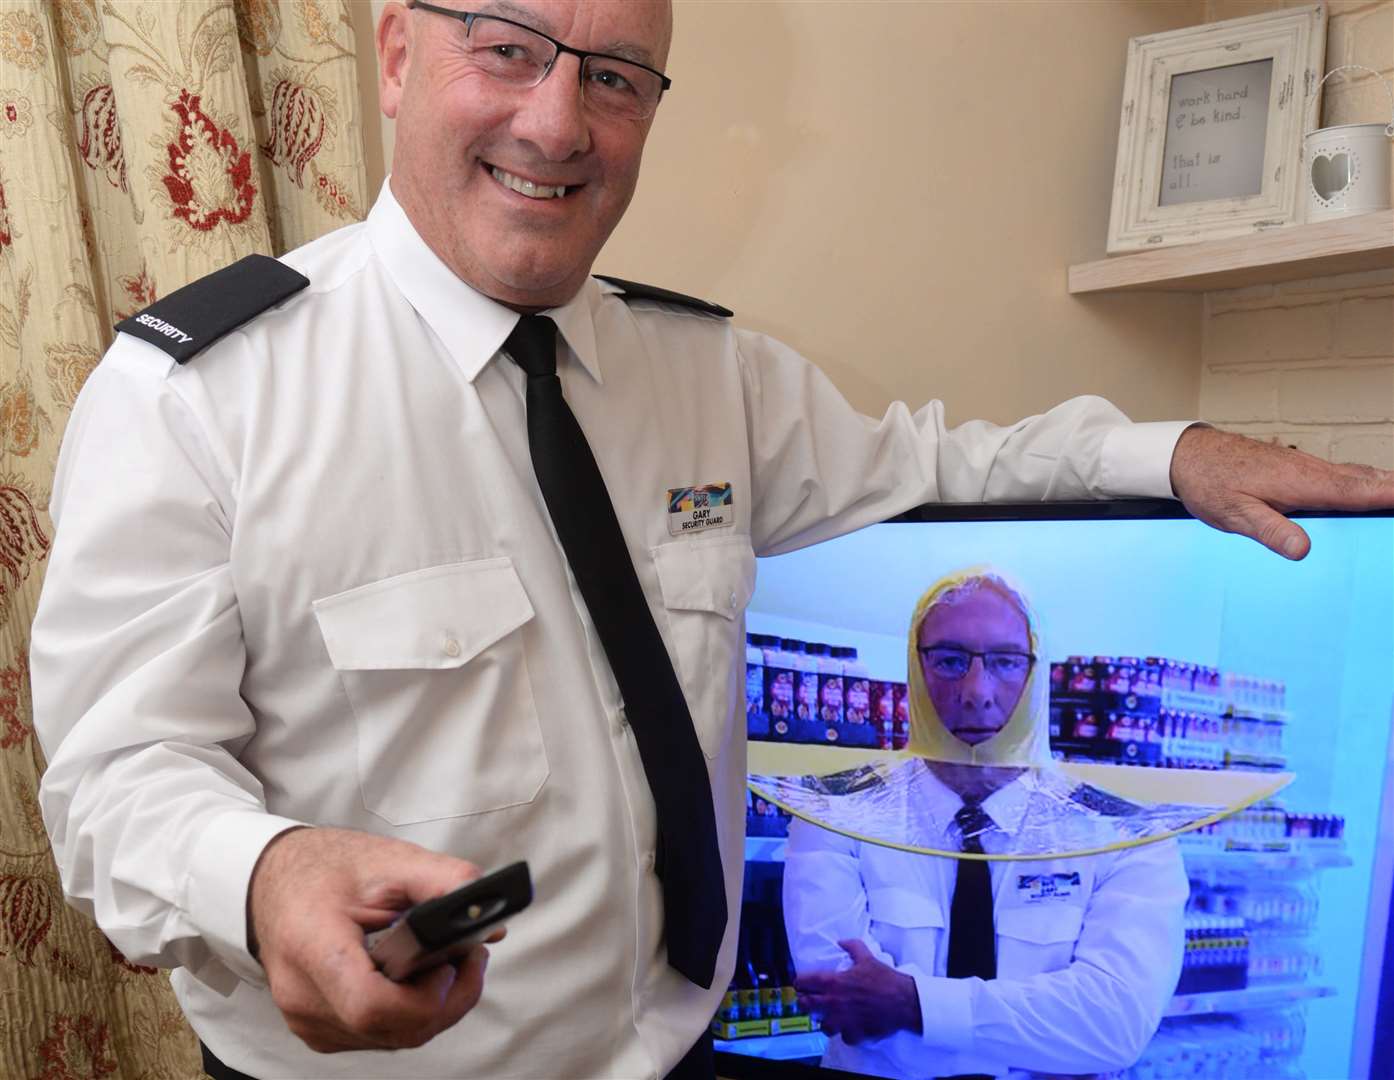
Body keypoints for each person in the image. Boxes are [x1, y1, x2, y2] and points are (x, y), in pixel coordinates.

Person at [27, 1, 1393, 1077]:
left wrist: (1168, 454)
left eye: (614, 77)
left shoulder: (704, 373)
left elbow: (937, 460)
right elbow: (116, 783)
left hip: (674, 1056)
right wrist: (261, 874)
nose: (557, 122)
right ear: (394, 54)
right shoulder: (199, 396)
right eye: (505, 50)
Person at [783, 572, 1187, 1079]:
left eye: (1004, 662)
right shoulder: (836, 813)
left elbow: (1113, 1027)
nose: (976, 691)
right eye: (950, 661)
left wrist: (913, 1004)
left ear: (1036, 672)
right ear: (915, 665)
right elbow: (848, 1011)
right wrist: (1038, 1034)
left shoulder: (1122, 833)